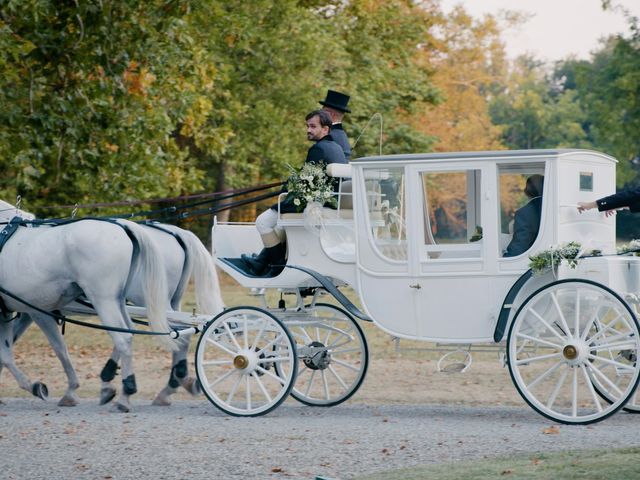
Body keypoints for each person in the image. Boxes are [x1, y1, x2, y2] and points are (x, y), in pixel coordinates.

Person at [241, 109, 347, 276]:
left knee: (262, 222)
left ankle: (277, 265)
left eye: (313, 126)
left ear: (325, 129)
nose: (308, 130)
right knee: (283, 225)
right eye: (307, 126)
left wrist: (284, 192)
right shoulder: (337, 148)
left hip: (316, 203)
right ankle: (261, 262)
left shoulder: (318, 149)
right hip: (328, 202)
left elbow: (304, 181)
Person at [503, 174, 544, 257]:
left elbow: (521, 244)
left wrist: (506, 258)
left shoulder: (524, 213)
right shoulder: (551, 208)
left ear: (526, 191)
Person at [320, 89, 351, 160]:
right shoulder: (340, 134)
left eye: (322, 111)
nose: (319, 114)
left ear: (331, 114)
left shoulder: (330, 136)